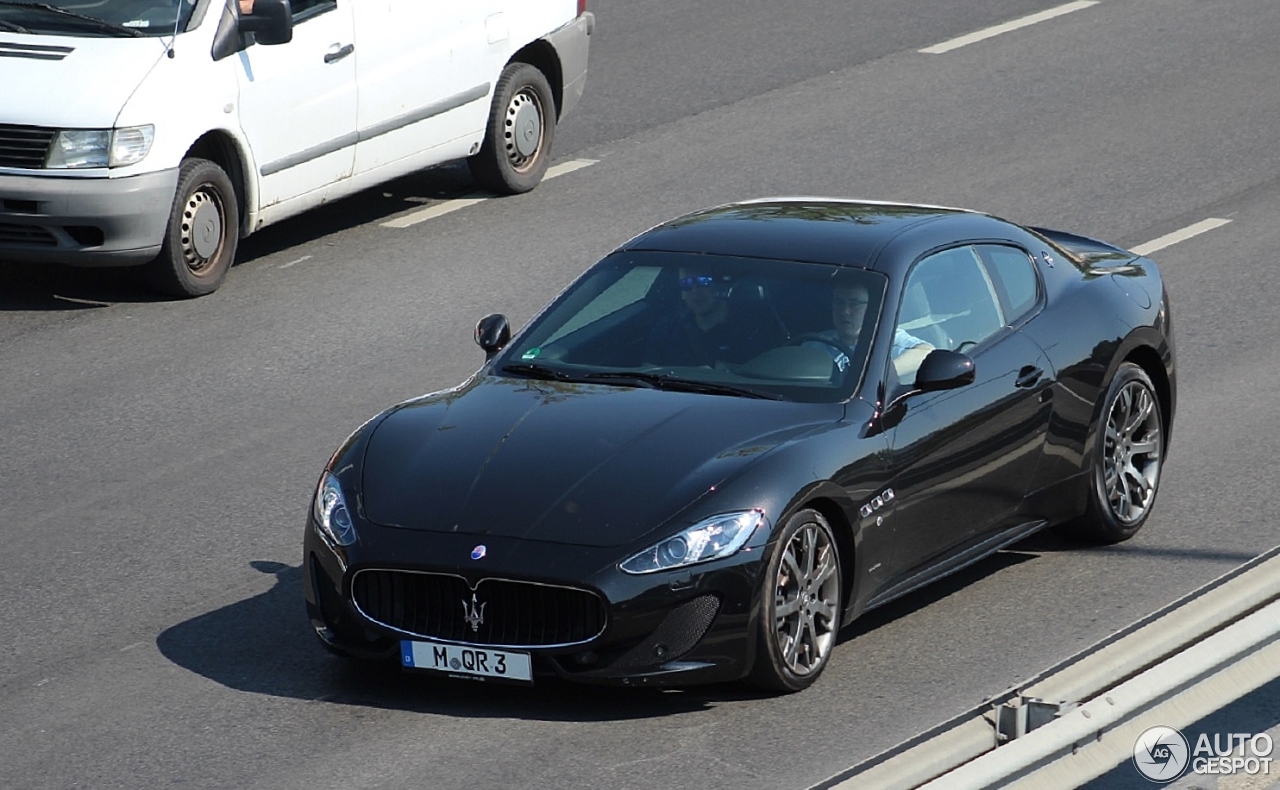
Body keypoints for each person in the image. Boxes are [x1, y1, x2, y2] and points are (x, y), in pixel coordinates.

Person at [643, 269, 775, 367]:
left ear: (719, 286)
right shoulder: (666, 330)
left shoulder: (754, 332)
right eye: (686, 284)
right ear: (682, 294)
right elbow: (649, 372)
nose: (695, 291)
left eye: (703, 281)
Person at [807, 282, 934, 381]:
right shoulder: (815, 344)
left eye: (854, 304)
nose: (845, 311)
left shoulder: (884, 338)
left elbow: (926, 352)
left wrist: (877, 374)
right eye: (839, 303)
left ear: (870, 308)